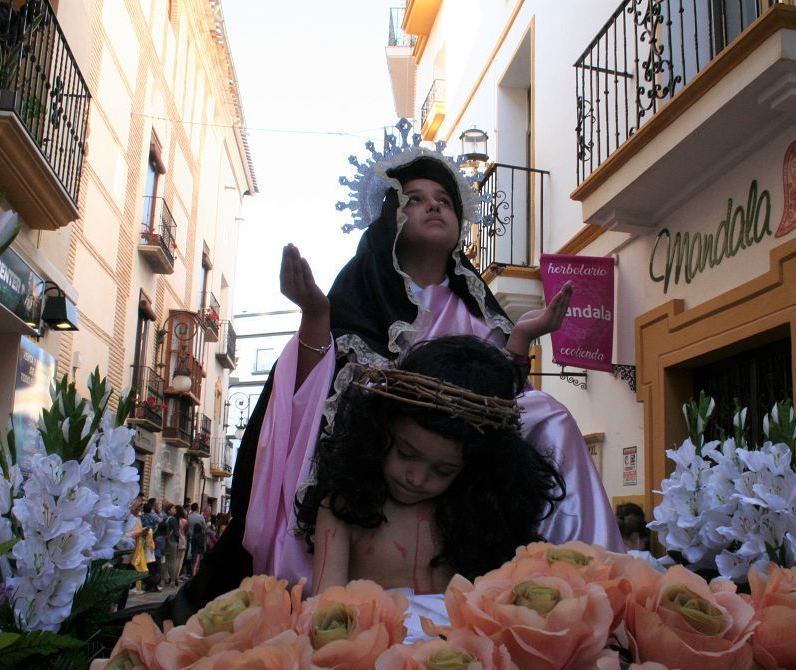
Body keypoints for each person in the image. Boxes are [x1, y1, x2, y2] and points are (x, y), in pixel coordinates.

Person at [185, 127, 621, 614]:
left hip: (467, 464)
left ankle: (586, 573)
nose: (434, 206)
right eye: (415, 199)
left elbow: (501, 393)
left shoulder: (476, 307)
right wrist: (314, 314)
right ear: (391, 218)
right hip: (381, 455)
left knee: (550, 412)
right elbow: (313, 390)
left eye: (445, 201)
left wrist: (520, 338)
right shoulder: (361, 295)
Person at [296, 336, 565, 594]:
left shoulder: (482, 520)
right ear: (380, 428)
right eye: (406, 453)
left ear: (476, 466)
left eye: (443, 470)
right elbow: (325, 614)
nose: (416, 478)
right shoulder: (343, 510)